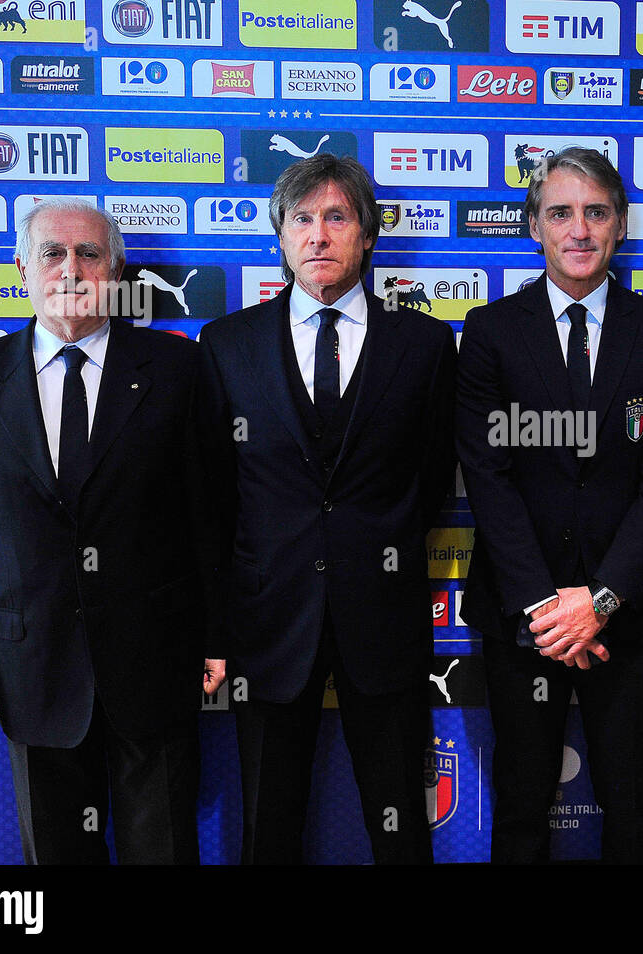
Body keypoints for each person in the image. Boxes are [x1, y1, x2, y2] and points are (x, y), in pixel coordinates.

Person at [0, 198, 215, 864]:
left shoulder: (177, 372)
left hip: (156, 669)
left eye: (90, 253)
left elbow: (207, 518)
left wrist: (218, 637)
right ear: (22, 266)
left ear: (116, 270)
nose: (71, 268)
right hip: (32, 673)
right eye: (53, 252)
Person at [197, 154, 457, 864]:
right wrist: (217, 623)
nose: (318, 235)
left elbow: (431, 476)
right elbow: (215, 495)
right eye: (302, 219)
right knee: (268, 827)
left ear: (367, 236)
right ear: (280, 237)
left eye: (336, 217)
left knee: (402, 822)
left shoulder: (426, 345)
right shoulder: (228, 345)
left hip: (385, 615)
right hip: (269, 623)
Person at [456, 147, 643, 863]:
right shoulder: (491, 331)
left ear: (620, 225)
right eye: (560, 213)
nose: (579, 229)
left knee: (631, 808)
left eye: (596, 212)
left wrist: (602, 600)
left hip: (625, 613)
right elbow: (488, 480)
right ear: (535, 226)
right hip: (522, 616)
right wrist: (546, 606)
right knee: (522, 809)